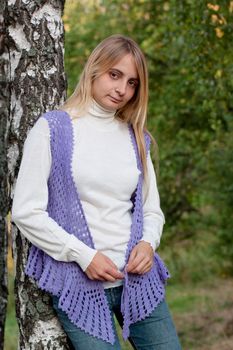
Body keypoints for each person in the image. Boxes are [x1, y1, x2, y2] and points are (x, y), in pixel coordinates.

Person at [12, 34, 181, 349]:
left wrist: (147, 243)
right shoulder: (53, 129)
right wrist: (84, 256)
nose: (121, 89)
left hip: (138, 282)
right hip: (80, 285)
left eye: (132, 83)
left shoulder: (135, 138)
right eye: (114, 75)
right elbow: (26, 211)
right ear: (94, 69)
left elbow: (151, 209)